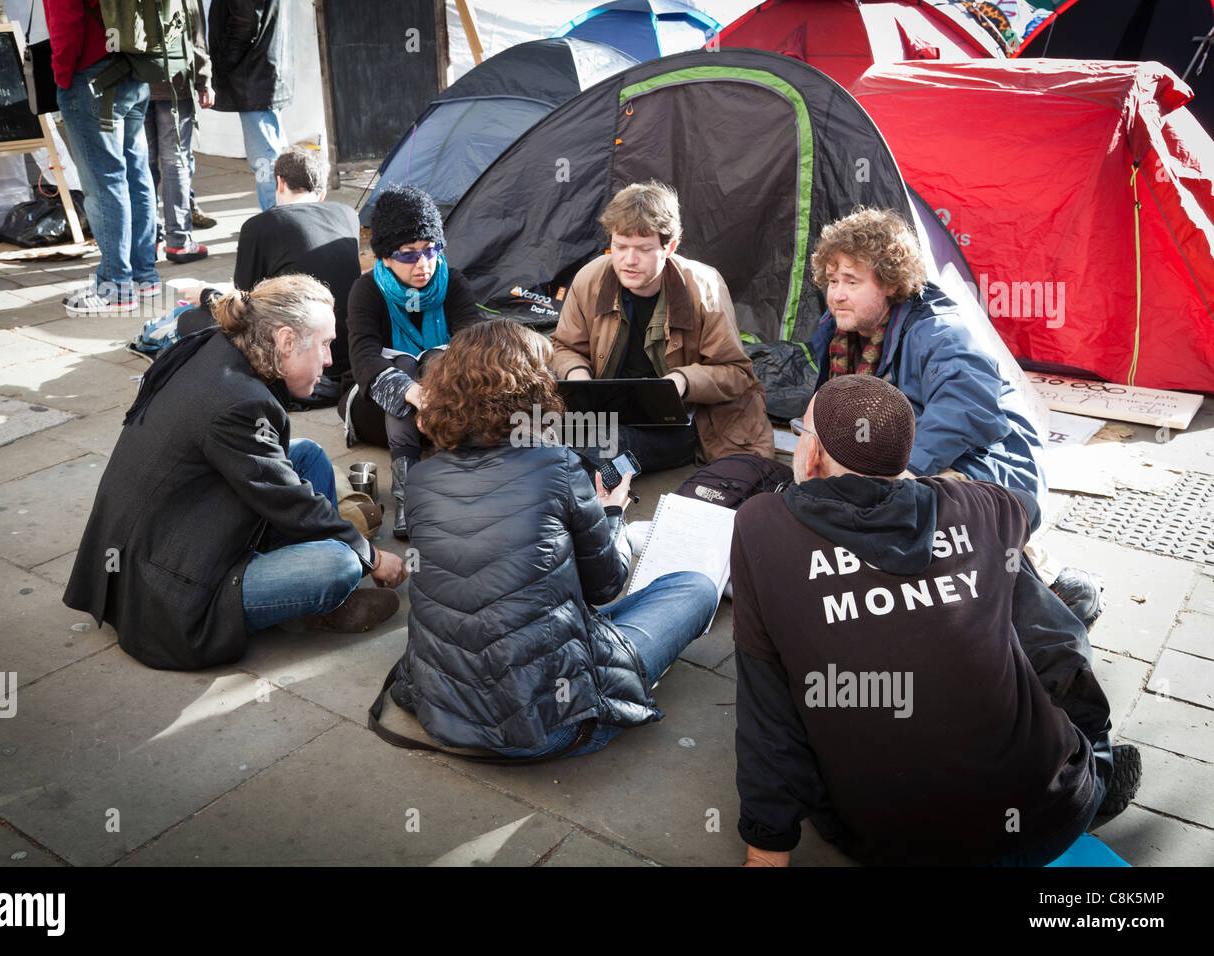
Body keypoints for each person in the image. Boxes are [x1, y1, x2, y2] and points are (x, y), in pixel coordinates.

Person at [731, 375, 1139, 866]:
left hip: (890, 841)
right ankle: (1098, 762)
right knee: (1026, 595)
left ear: (811, 453)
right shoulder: (983, 506)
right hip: (1053, 810)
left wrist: (766, 851)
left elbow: (765, 707)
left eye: (802, 431)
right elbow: (1024, 511)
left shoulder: (761, 527)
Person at [387, 319, 719, 758]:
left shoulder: (421, 479)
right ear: (533, 388)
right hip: (551, 729)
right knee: (695, 588)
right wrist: (613, 511)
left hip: (444, 716)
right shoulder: (557, 466)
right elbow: (605, 586)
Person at [64, 274, 406, 670]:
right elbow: (290, 501)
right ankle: (318, 598)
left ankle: (318, 590)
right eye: (326, 344)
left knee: (309, 456)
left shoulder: (218, 345)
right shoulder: (237, 404)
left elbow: (278, 482)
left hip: (175, 527)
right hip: (167, 587)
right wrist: (371, 556)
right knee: (342, 562)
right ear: (286, 341)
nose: (330, 360)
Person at [806, 207, 1102, 625]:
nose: (836, 294)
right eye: (832, 280)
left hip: (989, 463)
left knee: (906, 506)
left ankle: (1051, 587)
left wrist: (893, 474)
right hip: (918, 455)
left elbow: (967, 412)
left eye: (851, 282)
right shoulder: (839, 331)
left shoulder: (940, 331)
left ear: (890, 283)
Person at [549, 180, 773, 471]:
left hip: (681, 421)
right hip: (604, 410)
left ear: (670, 247)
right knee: (533, 433)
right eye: (620, 246)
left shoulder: (704, 287)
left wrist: (681, 381)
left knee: (607, 444)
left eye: (643, 249)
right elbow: (562, 346)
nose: (629, 260)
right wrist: (578, 376)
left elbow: (736, 372)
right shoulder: (590, 278)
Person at [343, 185, 481, 539]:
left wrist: (435, 388)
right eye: (408, 254)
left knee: (439, 356)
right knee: (402, 362)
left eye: (430, 250)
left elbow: (474, 348)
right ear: (386, 257)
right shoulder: (367, 290)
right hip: (378, 409)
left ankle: (445, 479)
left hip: (445, 409)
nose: (423, 264)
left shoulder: (453, 284)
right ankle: (408, 495)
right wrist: (412, 393)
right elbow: (363, 359)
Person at [179, 147, 361, 407]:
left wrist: (207, 294)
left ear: (280, 183)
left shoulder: (259, 225)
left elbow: (243, 309)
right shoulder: (347, 215)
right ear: (321, 193)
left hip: (292, 359)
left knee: (190, 320)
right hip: (344, 360)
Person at [45, 0, 160, 314]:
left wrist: (62, 76)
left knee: (104, 182)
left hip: (91, 74)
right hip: (134, 68)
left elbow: (65, 22)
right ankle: (144, 276)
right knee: (137, 176)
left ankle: (116, 286)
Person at [145, 0, 211, 264]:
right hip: (175, 83)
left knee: (142, 165)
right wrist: (204, 80)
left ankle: (148, 242)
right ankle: (179, 242)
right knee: (175, 162)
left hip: (132, 82)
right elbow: (195, 34)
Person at [208, 0, 291, 212]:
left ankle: (277, 218)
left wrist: (222, 62)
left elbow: (245, 22)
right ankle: (284, 216)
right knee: (273, 154)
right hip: (263, 71)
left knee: (265, 159)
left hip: (254, 74)